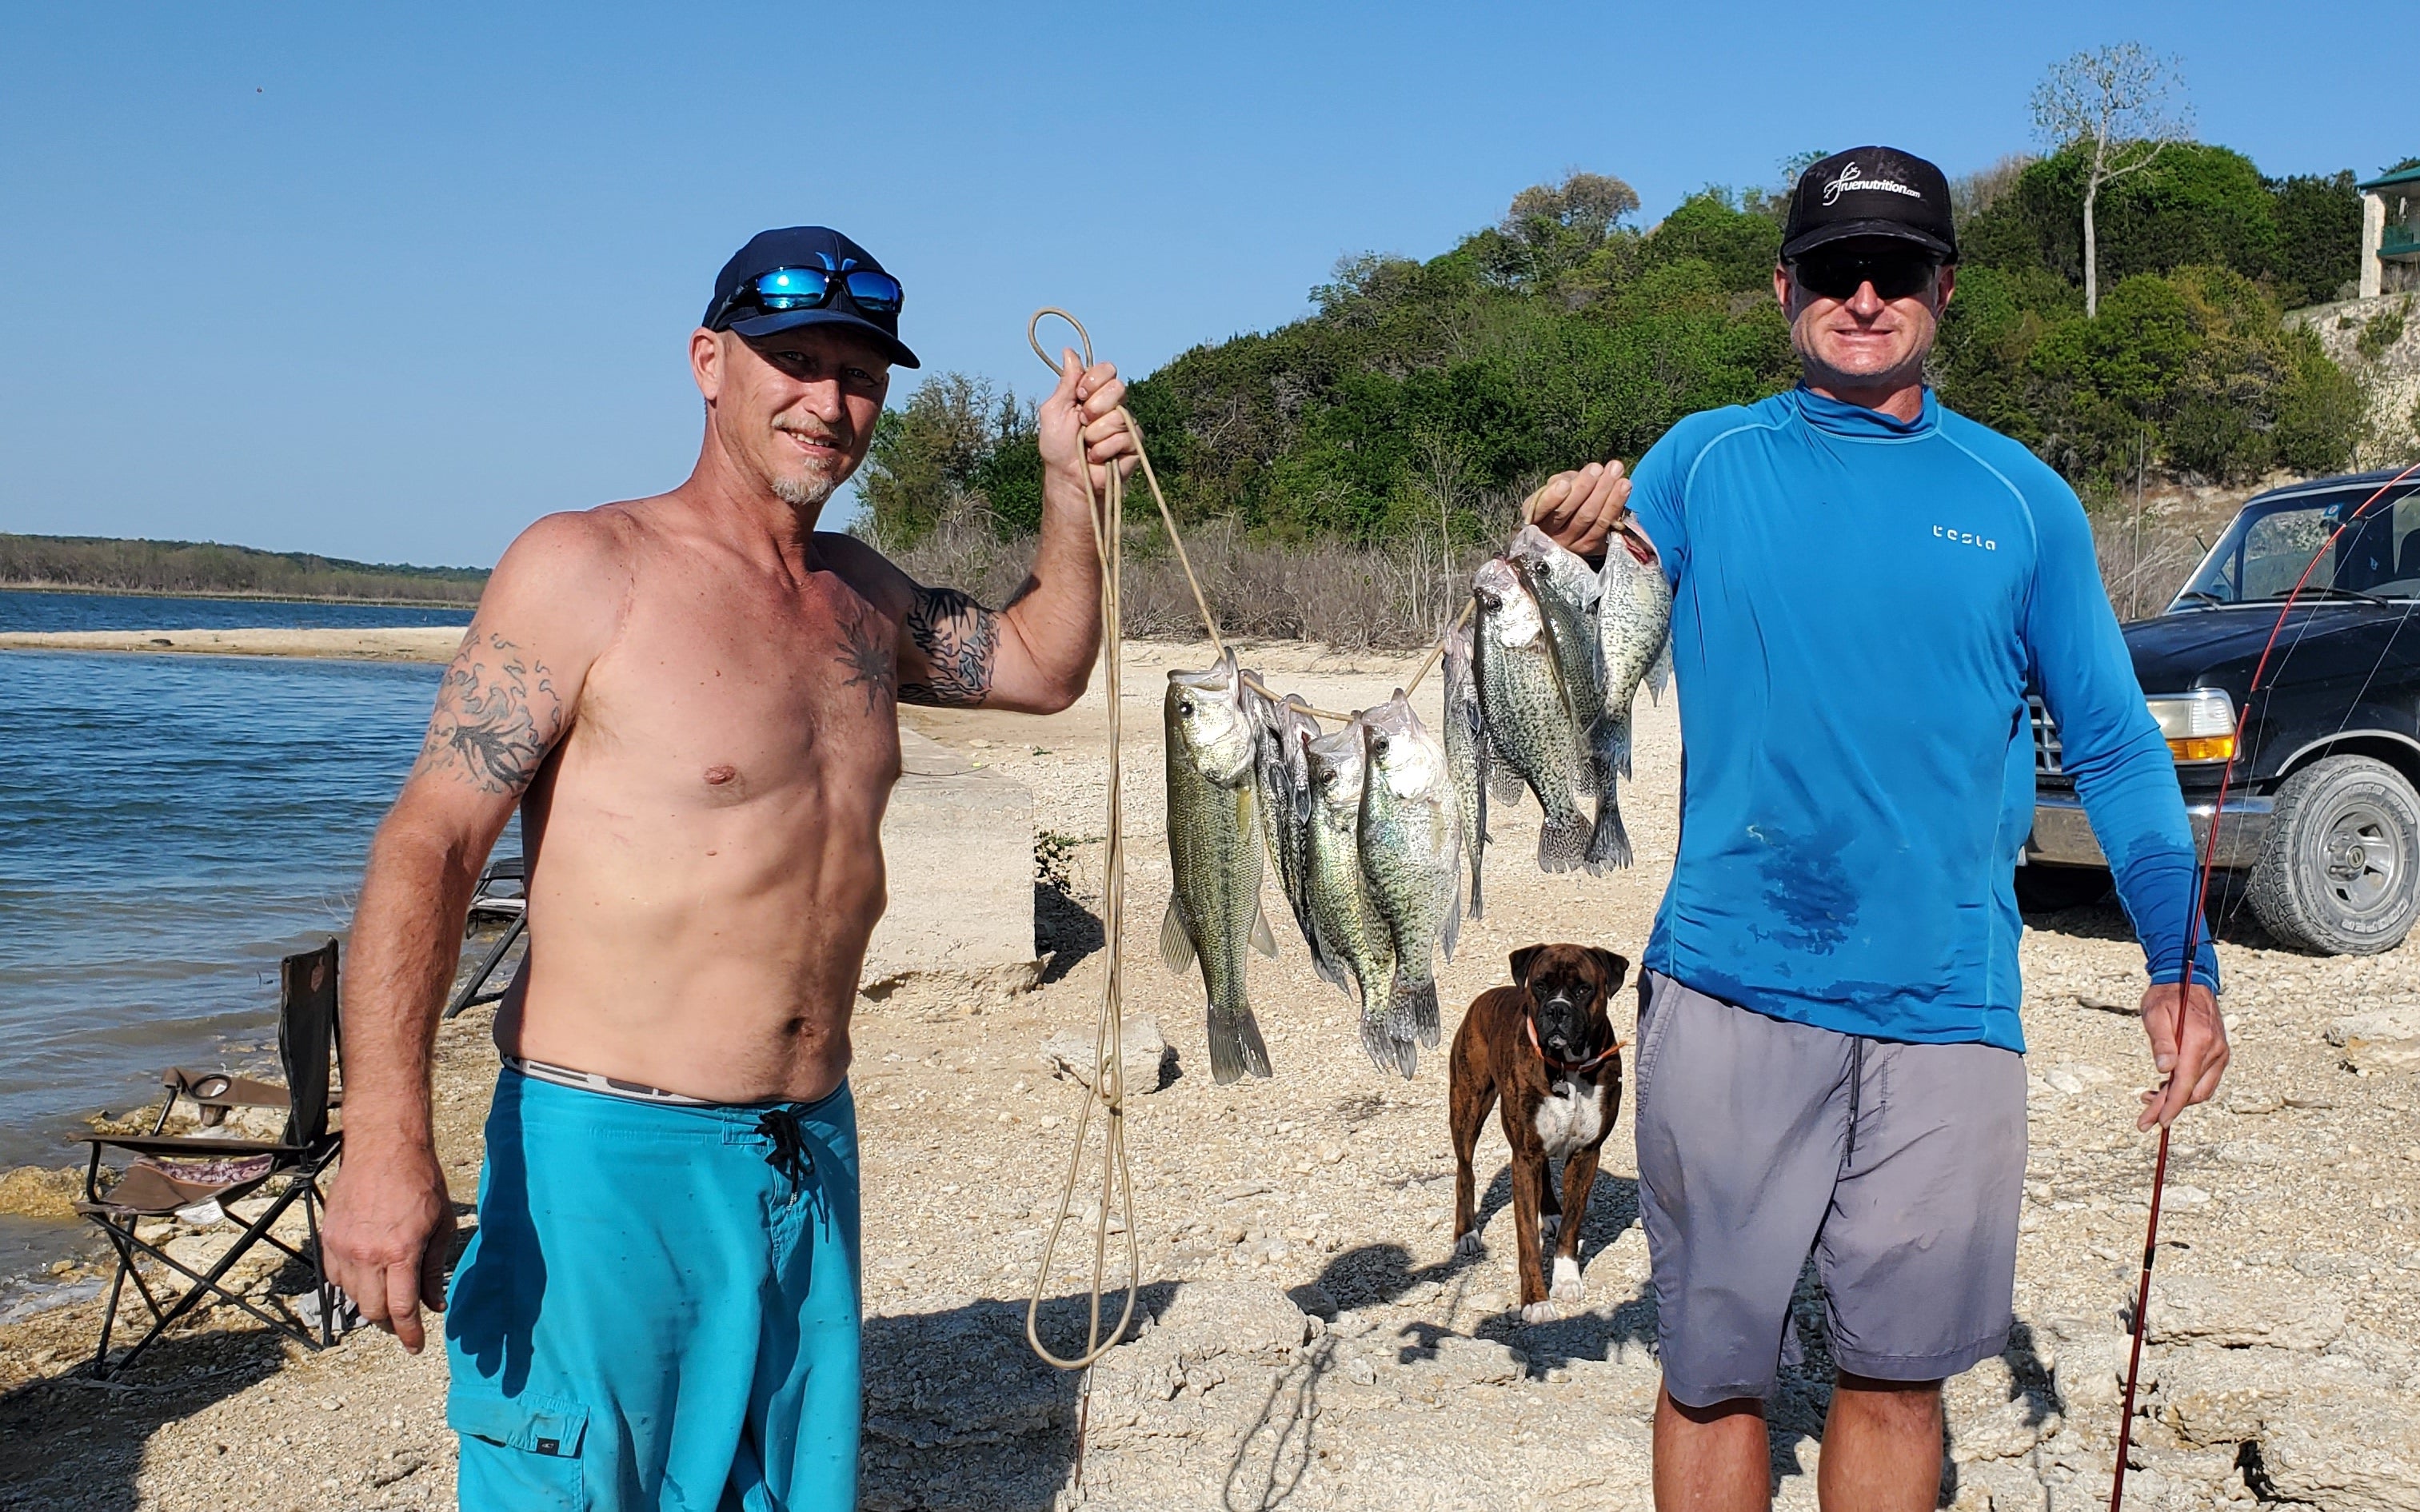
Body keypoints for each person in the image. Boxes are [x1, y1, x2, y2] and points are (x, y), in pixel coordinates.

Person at [321, 225, 1136, 1510]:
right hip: (608, 1157)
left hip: (805, 1150)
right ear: (710, 364)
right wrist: (382, 1140)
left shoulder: (857, 596)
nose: (827, 401)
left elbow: (1042, 664)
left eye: (858, 376)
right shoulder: (588, 568)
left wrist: (1070, 488)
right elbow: (427, 845)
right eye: (793, 362)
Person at [1527, 148, 2230, 1511]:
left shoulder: (2022, 500)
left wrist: (2180, 960)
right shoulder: (1702, 462)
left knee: (1897, 1376)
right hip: (1731, 983)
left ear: (1943, 288)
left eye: (1896, 267)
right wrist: (1563, 543)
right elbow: (1587, 618)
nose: (1863, 293)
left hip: (1946, 1006)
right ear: (1782, 287)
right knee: (1712, 1368)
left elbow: (2114, 748)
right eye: (1833, 268)